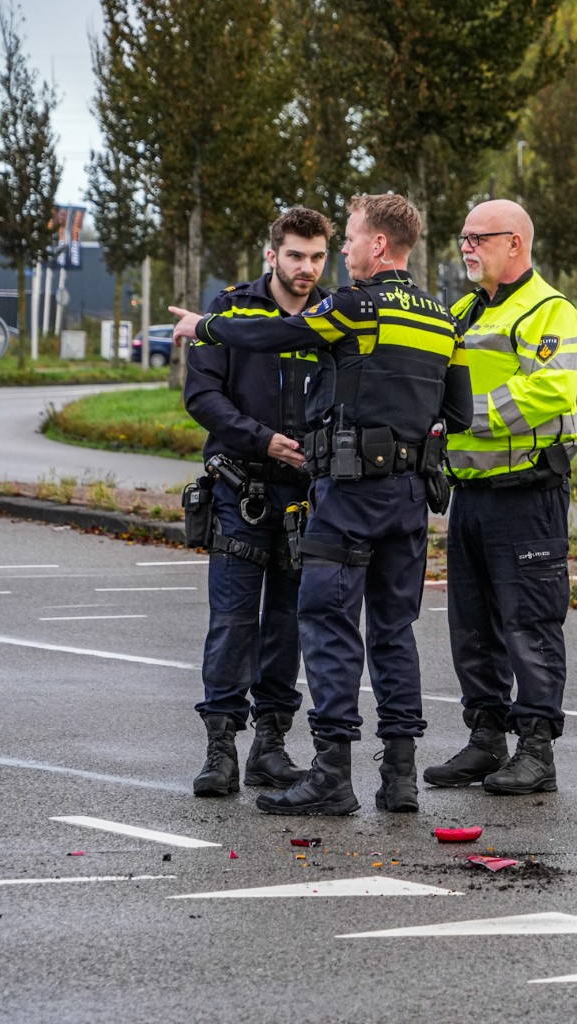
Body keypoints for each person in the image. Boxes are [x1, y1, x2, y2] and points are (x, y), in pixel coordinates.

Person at [171, 193, 471, 816]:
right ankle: (399, 779)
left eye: (351, 239)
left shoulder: (355, 307)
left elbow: (287, 332)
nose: (343, 254)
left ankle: (332, 772)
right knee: (394, 632)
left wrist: (204, 326)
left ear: (378, 245)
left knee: (328, 628)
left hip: (346, 497)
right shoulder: (445, 319)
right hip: (410, 501)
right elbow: (459, 414)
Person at [423, 199, 577, 796]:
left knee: (530, 624)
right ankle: (486, 739)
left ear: (514, 242)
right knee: (472, 626)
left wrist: (458, 419)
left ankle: (537, 752)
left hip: (527, 493)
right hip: (472, 493)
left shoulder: (552, 312)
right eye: (462, 236)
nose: (466, 247)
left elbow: (544, 392)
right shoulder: (464, 311)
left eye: (478, 237)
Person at [185, 207, 332, 798]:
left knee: (287, 625)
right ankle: (221, 749)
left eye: (318, 256)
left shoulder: (333, 314)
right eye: (295, 255)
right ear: (271, 254)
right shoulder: (229, 310)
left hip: (308, 497)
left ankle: (270, 746)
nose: (307, 268)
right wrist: (262, 438)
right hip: (240, 490)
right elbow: (202, 396)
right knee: (233, 622)